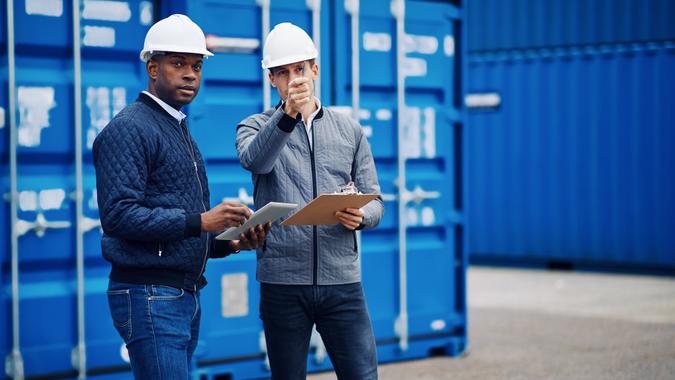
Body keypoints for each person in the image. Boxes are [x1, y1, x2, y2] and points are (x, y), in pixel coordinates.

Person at [93, 14, 269, 379]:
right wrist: (203, 221)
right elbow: (119, 215)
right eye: (178, 63)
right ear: (152, 68)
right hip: (149, 295)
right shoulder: (130, 128)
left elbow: (183, 228)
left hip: (180, 293)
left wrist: (231, 242)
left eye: (197, 65)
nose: (191, 74)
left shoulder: (175, 126)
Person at [236, 22, 384, 380]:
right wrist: (286, 116)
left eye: (300, 69)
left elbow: (376, 200)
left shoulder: (348, 129)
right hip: (282, 284)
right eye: (283, 73)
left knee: (363, 376)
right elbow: (256, 161)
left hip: (342, 284)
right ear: (272, 79)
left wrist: (361, 216)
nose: (293, 79)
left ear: (315, 69)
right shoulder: (254, 126)